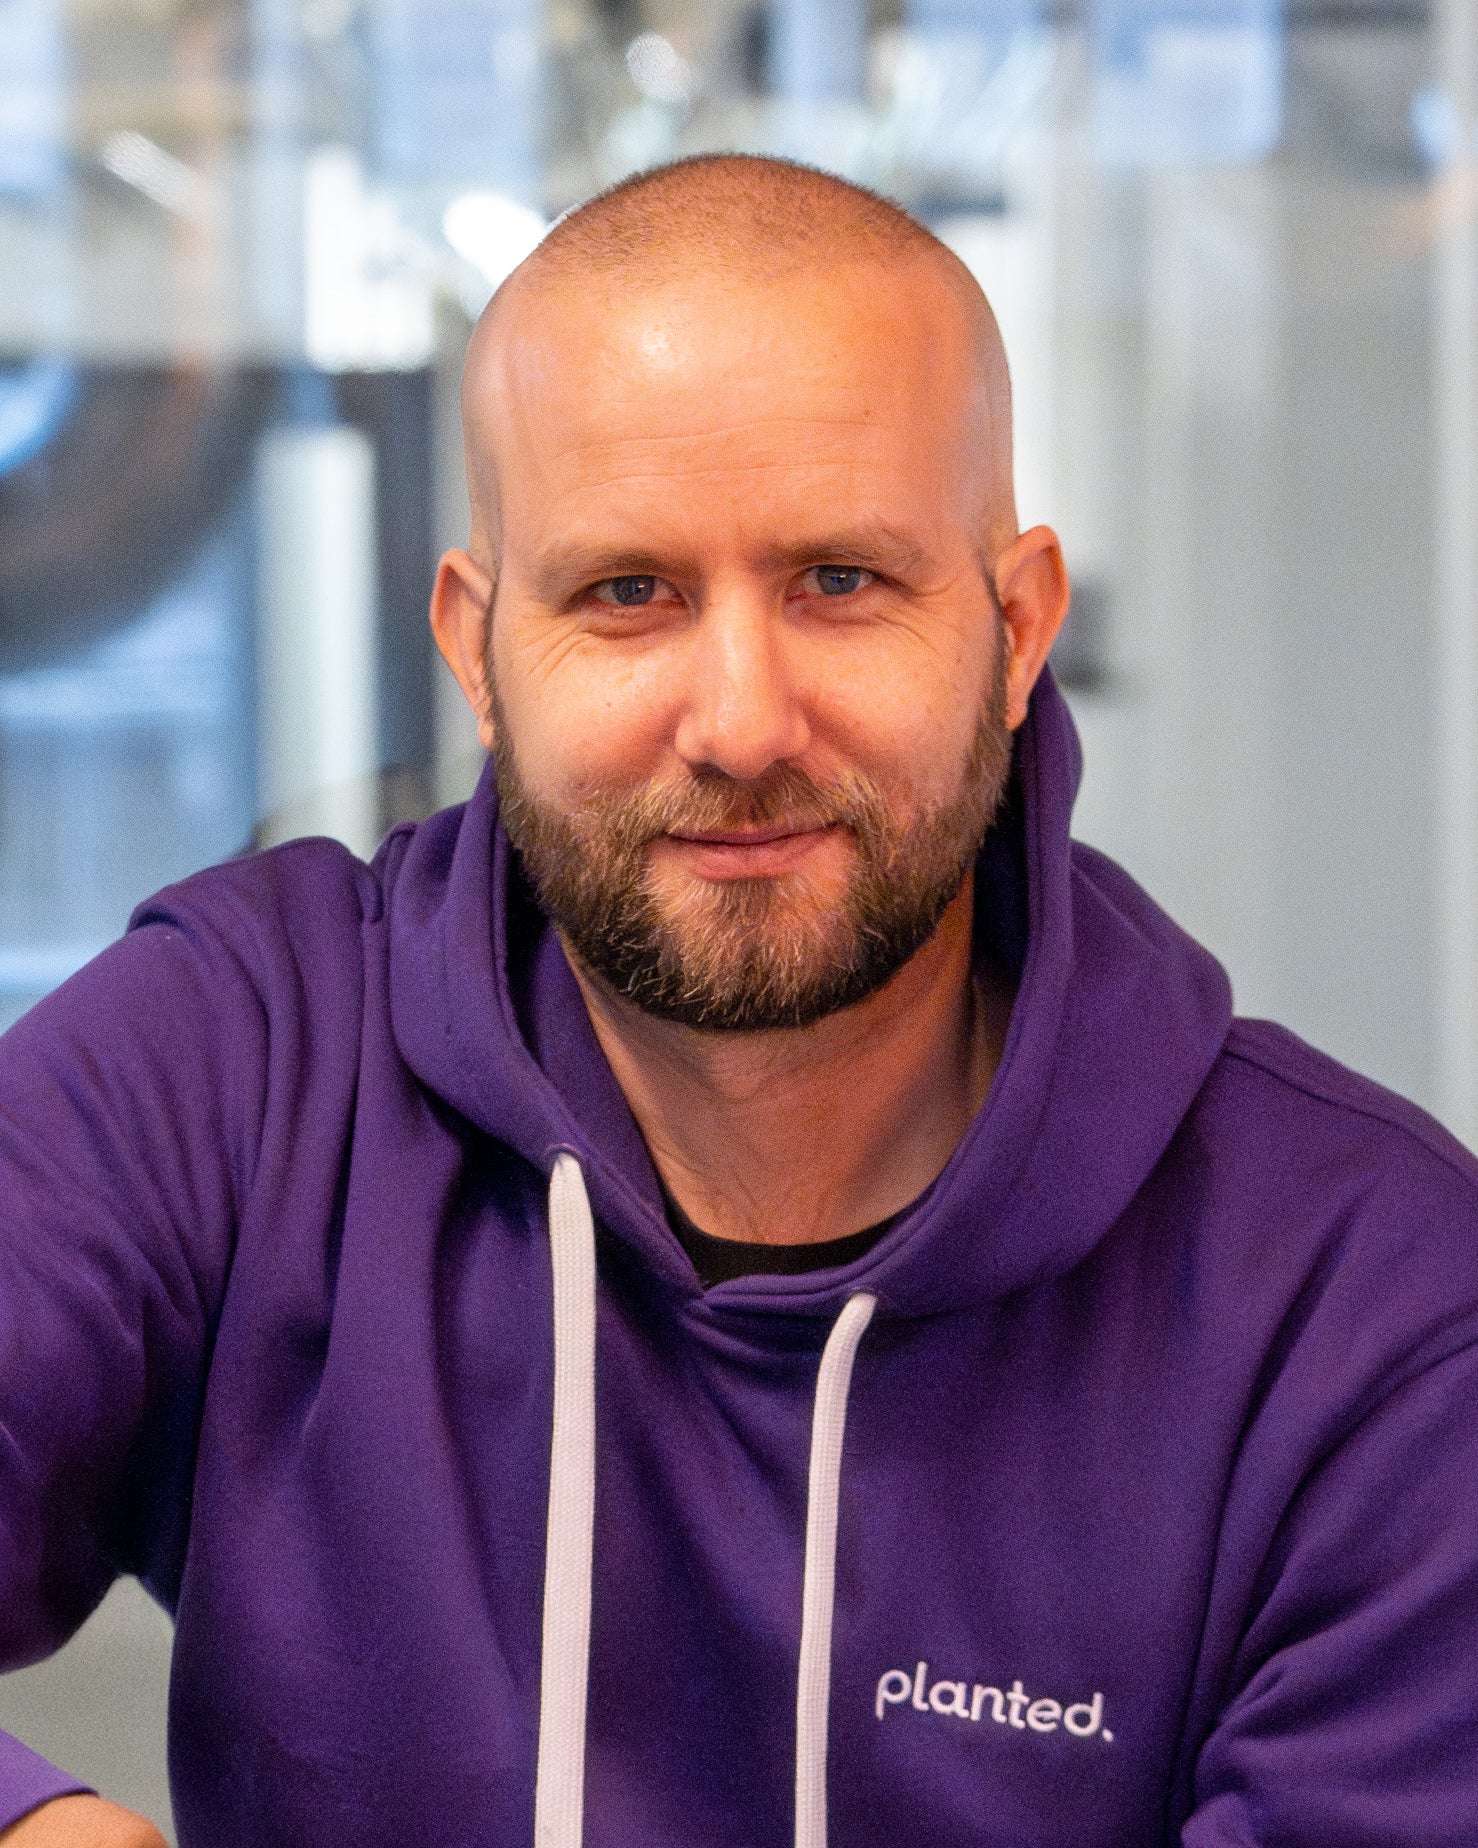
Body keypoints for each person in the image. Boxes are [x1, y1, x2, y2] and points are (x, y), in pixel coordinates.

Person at [1, 154, 1476, 1848]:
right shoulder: (240, 1070)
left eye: (839, 582)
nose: (741, 723)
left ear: (1014, 631)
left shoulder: (1368, 1313)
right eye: (627, 594)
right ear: (476, 652)